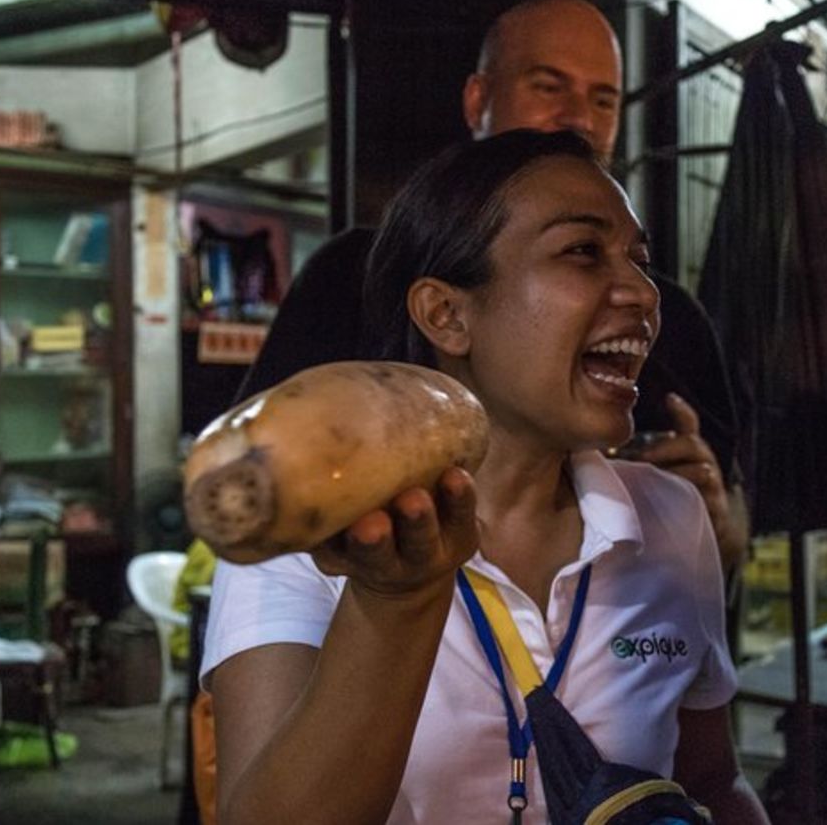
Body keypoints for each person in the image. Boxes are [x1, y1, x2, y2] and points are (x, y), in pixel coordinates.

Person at [204, 130, 769, 824]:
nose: (644, 294)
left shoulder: (673, 519)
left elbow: (712, 780)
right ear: (447, 314)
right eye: (584, 251)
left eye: (640, 259)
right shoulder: (313, 544)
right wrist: (391, 601)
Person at [238, 0, 749, 579]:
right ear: (442, 313)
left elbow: (730, 513)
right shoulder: (355, 276)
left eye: (603, 99)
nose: (579, 118)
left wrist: (712, 526)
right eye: (549, 86)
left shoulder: (667, 315)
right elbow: (259, 480)